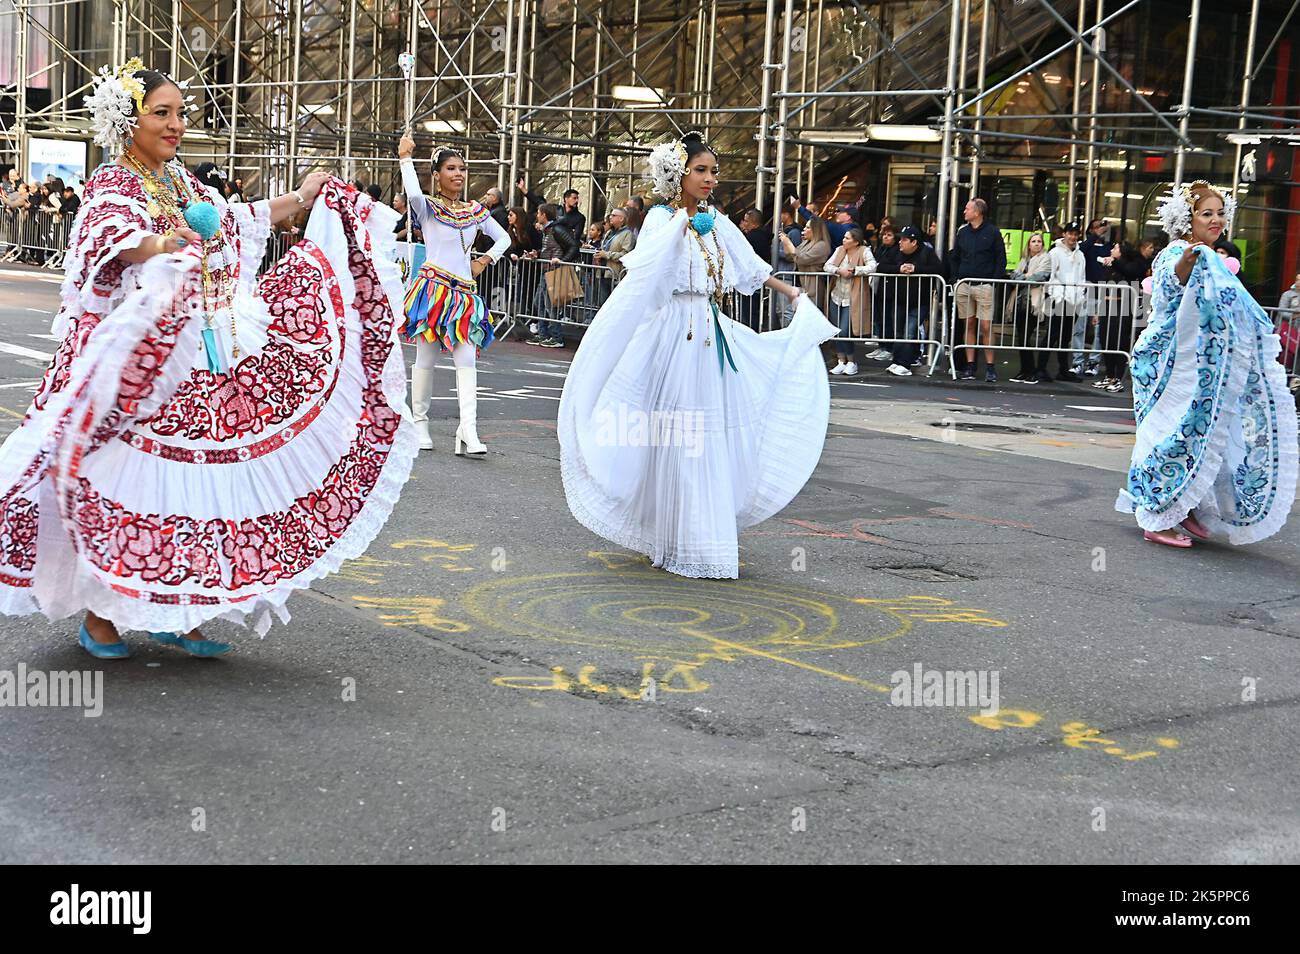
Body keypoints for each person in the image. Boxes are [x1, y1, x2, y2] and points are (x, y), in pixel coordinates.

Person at [0, 58, 417, 658]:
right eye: (161, 114)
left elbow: (234, 219)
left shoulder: (184, 184)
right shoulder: (111, 185)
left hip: (200, 352)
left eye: (180, 114)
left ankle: (179, 610)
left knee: (189, 491)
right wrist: (162, 244)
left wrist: (299, 198)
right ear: (127, 122)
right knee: (125, 481)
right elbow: (113, 240)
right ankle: (100, 617)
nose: (175, 125)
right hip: (139, 361)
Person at [557, 132, 836, 579]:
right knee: (674, 435)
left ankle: (698, 540)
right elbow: (646, 269)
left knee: (704, 436)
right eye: (700, 171)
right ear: (679, 174)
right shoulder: (659, 219)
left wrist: (791, 292)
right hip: (672, 334)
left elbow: (749, 266)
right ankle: (669, 537)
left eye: (713, 172)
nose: (709, 179)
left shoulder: (715, 219)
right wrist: (681, 227)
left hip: (707, 331)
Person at [1117, 180, 1297, 547]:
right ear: (1188, 219)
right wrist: (1189, 259)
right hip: (1165, 366)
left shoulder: (1212, 256)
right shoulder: (1178, 253)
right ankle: (1158, 514)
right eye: (1206, 214)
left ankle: (1186, 504)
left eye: (1220, 213)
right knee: (1173, 433)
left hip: (1193, 364)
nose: (1216, 220)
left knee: (1206, 429)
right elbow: (1172, 276)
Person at [398, 129, 510, 456]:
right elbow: (414, 196)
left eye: (461, 168)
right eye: (450, 168)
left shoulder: (476, 211)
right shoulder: (429, 208)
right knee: (426, 358)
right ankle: (420, 422)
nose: (458, 173)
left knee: (467, 362)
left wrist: (485, 260)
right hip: (433, 291)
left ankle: (468, 429)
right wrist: (405, 158)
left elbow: (503, 238)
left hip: (464, 295)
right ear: (436, 175)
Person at [948, 198, 1007, 381]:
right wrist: (956, 277)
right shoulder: (963, 232)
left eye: (967, 208)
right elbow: (955, 256)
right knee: (969, 324)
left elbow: (1000, 258)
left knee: (986, 326)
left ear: (977, 212)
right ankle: (970, 365)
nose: (964, 211)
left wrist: (993, 281)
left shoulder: (992, 232)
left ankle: (990, 366)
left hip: (984, 284)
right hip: (965, 284)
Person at [877, 226, 944, 376]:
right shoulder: (896, 252)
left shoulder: (927, 253)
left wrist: (916, 269)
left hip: (920, 301)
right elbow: (881, 266)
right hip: (899, 299)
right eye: (900, 239)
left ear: (914, 242)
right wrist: (899, 269)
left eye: (904, 239)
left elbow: (939, 269)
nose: (900, 242)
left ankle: (905, 363)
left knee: (910, 331)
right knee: (898, 331)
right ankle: (897, 360)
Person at [524, 202, 580, 347]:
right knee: (541, 303)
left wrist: (562, 260)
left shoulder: (557, 229)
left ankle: (556, 337)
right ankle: (544, 334)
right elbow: (549, 248)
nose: (537, 215)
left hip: (555, 271)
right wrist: (537, 253)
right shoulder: (549, 230)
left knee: (550, 305)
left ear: (544, 215)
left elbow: (574, 246)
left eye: (538, 213)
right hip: (547, 270)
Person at [822, 226, 876, 375]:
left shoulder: (864, 251)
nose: (843, 240)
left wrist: (855, 271)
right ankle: (841, 361)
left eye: (847, 238)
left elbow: (872, 266)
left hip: (853, 296)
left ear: (856, 242)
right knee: (837, 329)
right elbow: (827, 265)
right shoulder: (839, 250)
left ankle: (851, 361)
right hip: (836, 295)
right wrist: (839, 270)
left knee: (845, 330)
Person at [1038, 222, 1087, 383]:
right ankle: (1041, 368)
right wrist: (1055, 295)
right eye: (1070, 233)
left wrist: (1080, 296)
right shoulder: (1055, 252)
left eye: (1075, 234)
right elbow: (1051, 275)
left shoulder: (1080, 255)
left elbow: (1082, 277)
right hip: (1059, 299)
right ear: (1064, 234)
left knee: (1065, 336)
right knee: (1052, 334)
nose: (1073, 237)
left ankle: (1062, 370)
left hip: (1074, 300)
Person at [1008, 232, 1051, 384]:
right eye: (1034, 241)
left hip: (1034, 302)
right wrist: (1025, 276)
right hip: (1020, 301)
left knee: (1026, 335)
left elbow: (1041, 276)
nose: (1037, 244)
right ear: (1029, 244)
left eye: (1039, 241)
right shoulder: (1023, 260)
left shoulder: (1045, 258)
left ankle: (1031, 370)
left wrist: (1024, 277)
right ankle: (1024, 370)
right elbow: (1013, 275)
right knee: (1021, 336)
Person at [777, 216, 830, 324]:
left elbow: (801, 259)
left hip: (812, 287)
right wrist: (785, 242)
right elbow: (791, 256)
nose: (804, 230)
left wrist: (788, 242)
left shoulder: (822, 245)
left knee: (809, 319)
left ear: (815, 230)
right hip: (801, 284)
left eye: (807, 227)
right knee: (796, 316)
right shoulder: (806, 242)